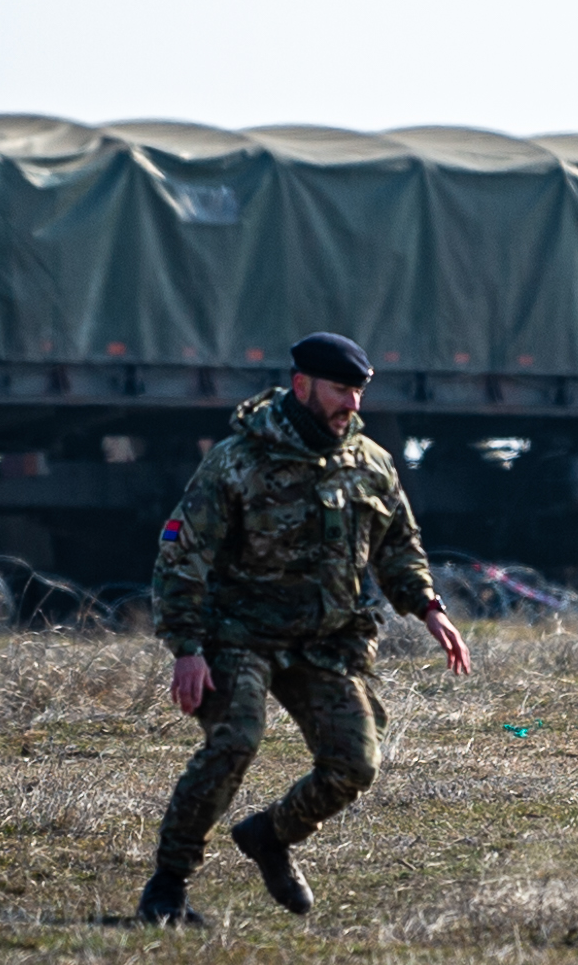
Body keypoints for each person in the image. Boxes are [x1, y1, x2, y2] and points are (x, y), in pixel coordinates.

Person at [138, 331, 471, 925]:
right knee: (234, 742)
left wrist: (429, 607)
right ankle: (168, 886)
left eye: (359, 392)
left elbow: (399, 546)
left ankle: (270, 836)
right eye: (342, 390)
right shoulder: (238, 462)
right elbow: (181, 557)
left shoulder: (369, 464)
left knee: (354, 764)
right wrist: (186, 649)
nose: (353, 405)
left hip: (326, 641)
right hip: (236, 634)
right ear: (301, 385)